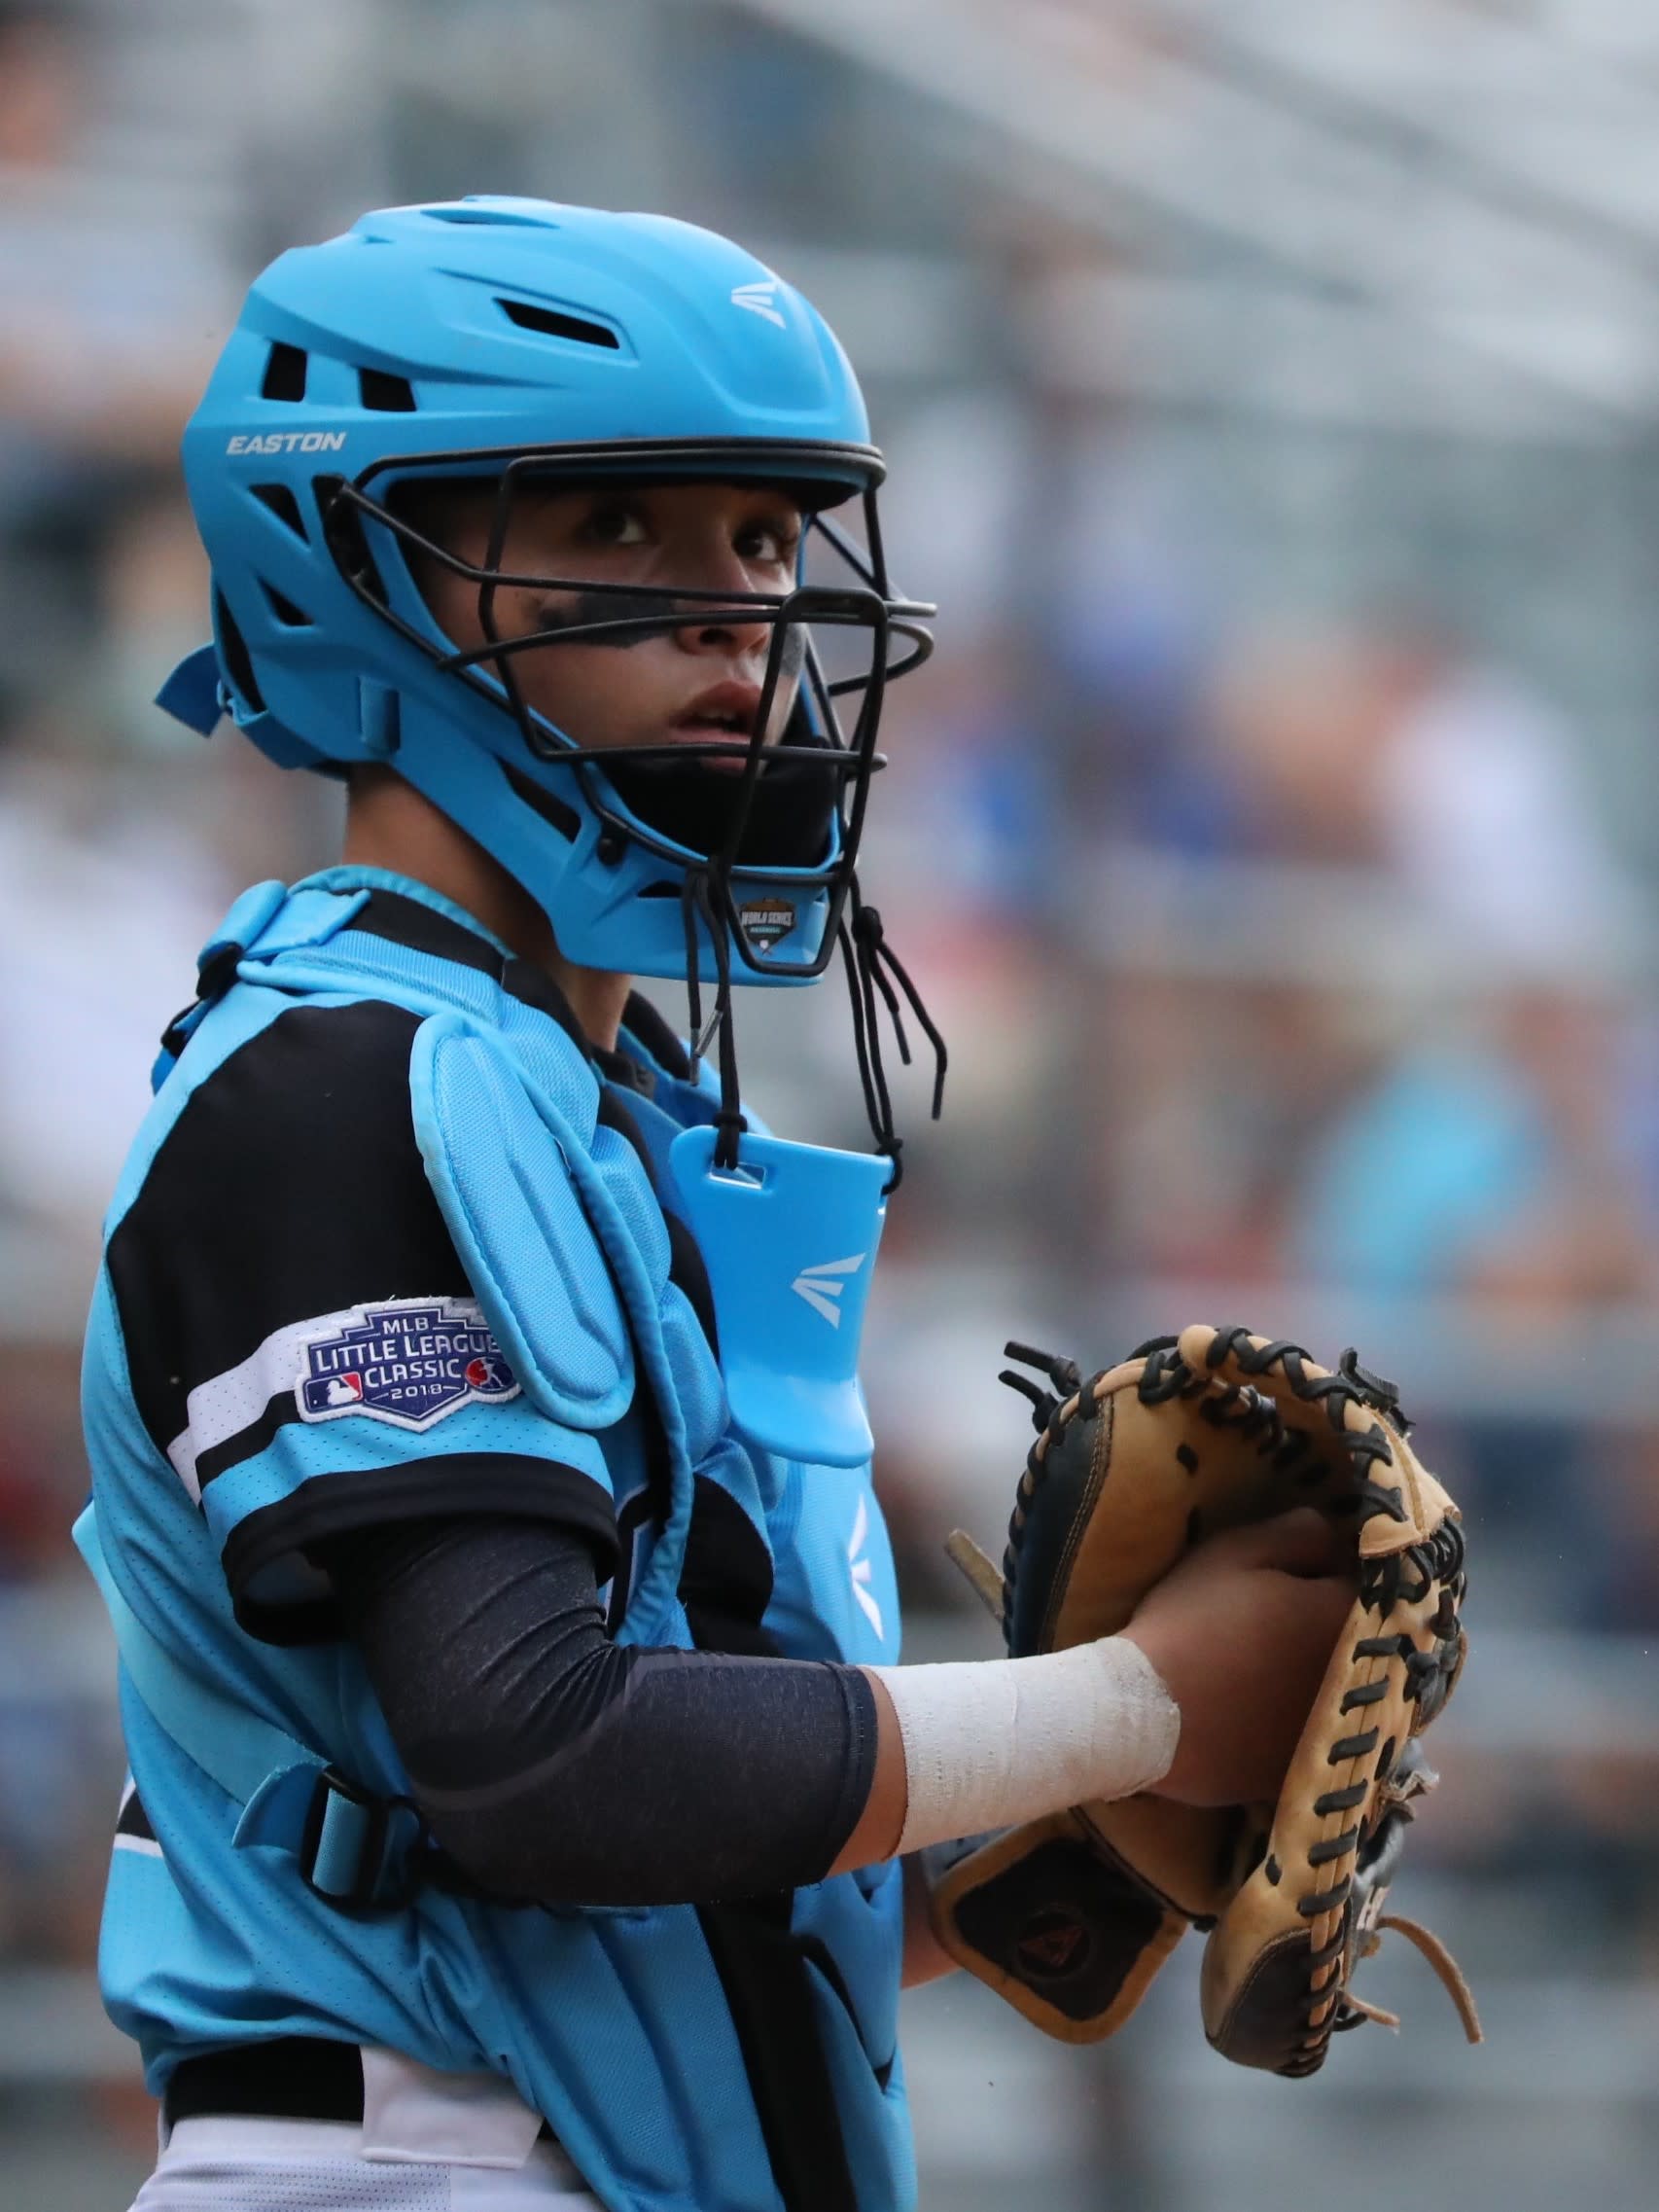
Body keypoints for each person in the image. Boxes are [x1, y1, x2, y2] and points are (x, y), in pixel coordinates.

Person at [78, 197, 1354, 2212]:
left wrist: (1095, 1811)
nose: (731, 613)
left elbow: (645, 1897)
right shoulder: (340, 1086)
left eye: (762, 538)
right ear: (354, 567)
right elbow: (535, 1764)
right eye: (612, 527)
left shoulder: (589, 1106)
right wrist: (1130, 1707)